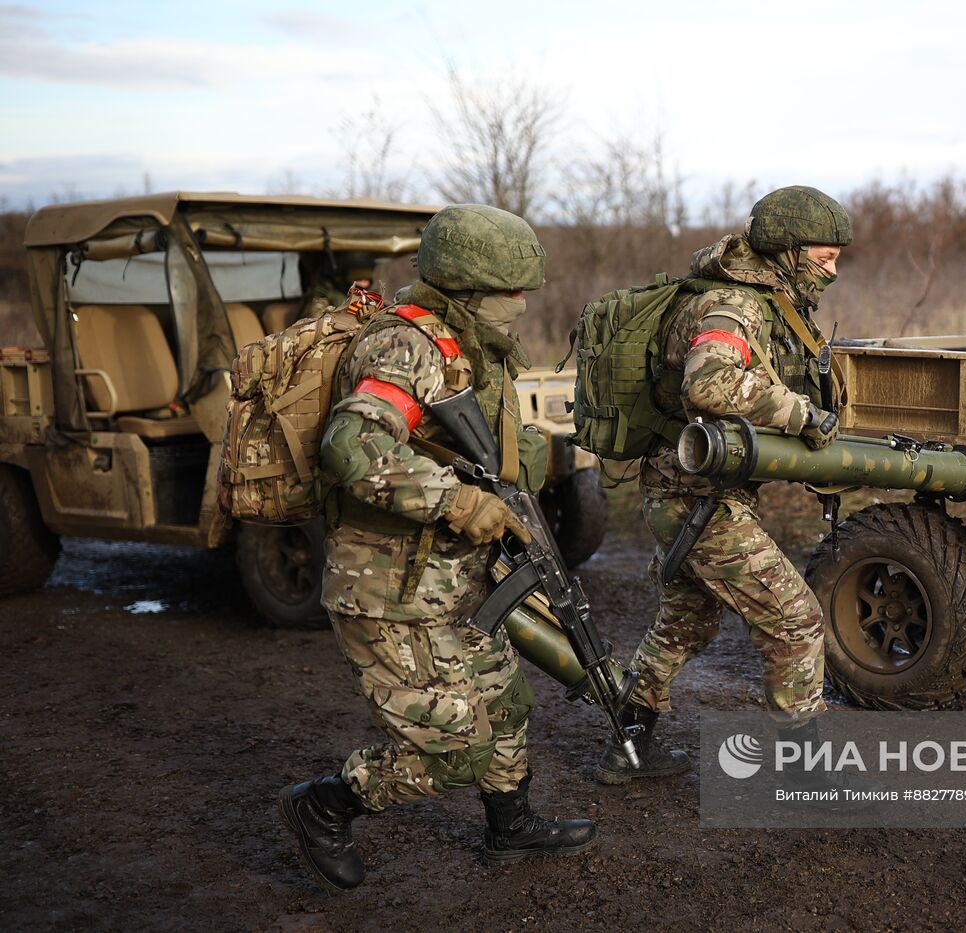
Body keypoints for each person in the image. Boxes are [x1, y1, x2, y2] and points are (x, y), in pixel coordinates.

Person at [279, 204, 595, 894]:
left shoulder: (472, 349)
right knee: (454, 749)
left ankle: (510, 828)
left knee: (506, 700)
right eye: (511, 291)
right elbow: (351, 445)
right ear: (470, 288)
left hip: (448, 581)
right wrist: (457, 501)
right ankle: (326, 803)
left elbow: (480, 450)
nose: (520, 304)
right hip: (384, 590)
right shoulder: (406, 348)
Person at [595, 186, 851, 784]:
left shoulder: (759, 300)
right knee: (795, 620)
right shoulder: (734, 306)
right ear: (789, 252)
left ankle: (628, 749)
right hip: (695, 499)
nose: (833, 271)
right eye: (826, 256)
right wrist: (799, 415)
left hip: (685, 493)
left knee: (687, 621)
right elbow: (707, 387)